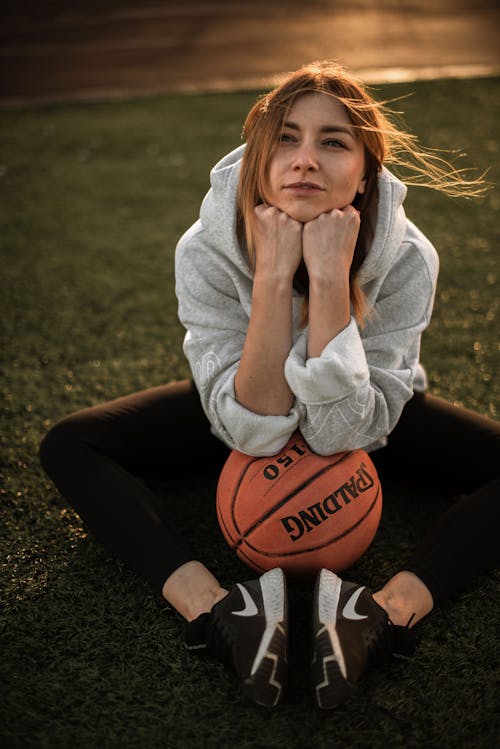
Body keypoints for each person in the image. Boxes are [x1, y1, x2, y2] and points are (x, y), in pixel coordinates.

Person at [39, 60, 499, 710]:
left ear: (365, 173)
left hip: (369, 416)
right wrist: (275, 278)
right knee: (69, 443)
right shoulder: (206, 247)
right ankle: (216, 610)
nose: (304, 158)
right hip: (244, 405)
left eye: (333, 141)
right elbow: (252, 433)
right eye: (286, 137)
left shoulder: (406, 257)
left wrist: (334, 279)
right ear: (259, 157)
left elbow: (346, 430)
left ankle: (385, 615)